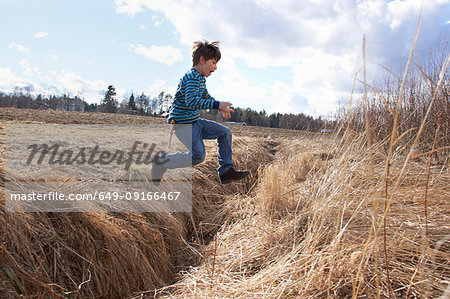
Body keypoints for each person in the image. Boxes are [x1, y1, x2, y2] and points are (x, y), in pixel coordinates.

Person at [152, 40, 250, 184]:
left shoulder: (200, 79)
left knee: (225, 132)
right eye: (214, 62)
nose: (216, 67)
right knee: (198, 156)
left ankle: (226, 171)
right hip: (183, 124)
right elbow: (192, 101)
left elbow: (205, 97)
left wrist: (221, 106)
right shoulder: (192, 77)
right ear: (202, 60)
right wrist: (217, 105)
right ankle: (161, 161)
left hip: (195, 121)